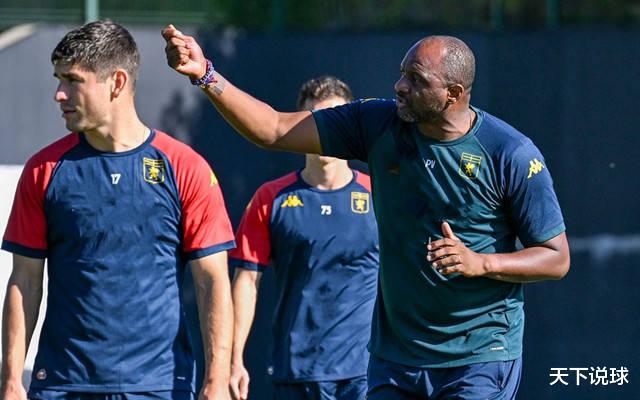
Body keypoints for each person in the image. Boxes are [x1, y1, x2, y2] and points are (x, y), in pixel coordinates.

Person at [162, 27, 571, 399]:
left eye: (416, 80)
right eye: (401, 73)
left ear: (453, 93)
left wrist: (481, 263)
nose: (400, 86)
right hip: (396, 358)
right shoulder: (377, 123)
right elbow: (272, 128)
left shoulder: (510, 153)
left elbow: (556, 258)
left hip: (479, 356)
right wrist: (206, 75)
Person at [1, 21, 235, 400]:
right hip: (63, 384)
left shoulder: (185, 168)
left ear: (117, 83)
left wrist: (217, 379)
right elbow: (25, 281)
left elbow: (212, 281)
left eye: (73, 81)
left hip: (159, 387)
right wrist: (12, 381)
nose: (59, 94)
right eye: (58, 80)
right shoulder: (43, 170)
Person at [228, 76, 379, 400]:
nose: (327, 132)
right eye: (317, 122)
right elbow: (247, 281)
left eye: (336, 121)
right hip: (295, 372)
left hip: (366, 373)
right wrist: (233, 359)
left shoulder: (379, 194)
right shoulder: (270, 198)